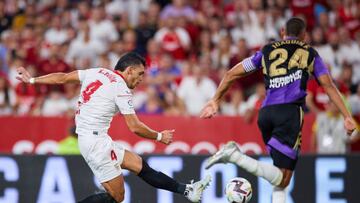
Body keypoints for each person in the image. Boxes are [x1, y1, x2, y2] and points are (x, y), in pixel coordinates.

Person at [200, 17, 358, 203]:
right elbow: (328, 85)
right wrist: (347, 115)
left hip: (266, 114)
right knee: (283, 177)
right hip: (289, 114)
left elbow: (231, 73)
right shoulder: (309, 52)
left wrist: (215, 99)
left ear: (283, 32)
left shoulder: (266, 50)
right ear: (304, 35)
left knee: (279, 175)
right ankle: (235, 156)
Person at [16, 52, 211, 203]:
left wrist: (32, 80)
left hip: (96, 138)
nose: (141, 78)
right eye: (140, 73)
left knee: (139, 165)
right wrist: (159, 137)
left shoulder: (97, 72)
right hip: (95, 143)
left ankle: (187, 190)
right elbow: (134, 127)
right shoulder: (121, 88)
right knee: (117, 196)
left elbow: (63, 78)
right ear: (129, 71)